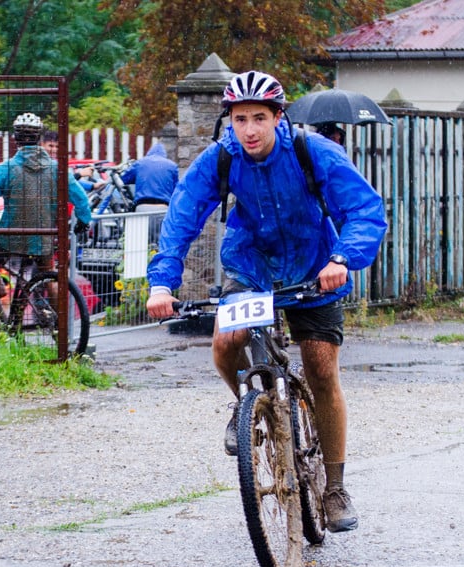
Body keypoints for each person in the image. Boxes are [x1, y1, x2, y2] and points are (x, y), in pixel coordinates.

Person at [146, 71, 387, 533]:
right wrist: (162, 284)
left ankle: (334, 487)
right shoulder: (220, 159)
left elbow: (364, 210)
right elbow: (181, 219)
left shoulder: (312, 152)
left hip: (315, 266)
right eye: (240, 119)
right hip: (251, 266)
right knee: (225, 342)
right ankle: (246, 405)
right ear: (230, 122)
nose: (250, 129)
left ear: (279, 117)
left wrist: (342, 257)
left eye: (260, 117)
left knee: (320, 369)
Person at [0, 113, 92, 325]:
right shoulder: (57, 169)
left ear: (15, 138)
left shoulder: (6, 168)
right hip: (43, 235)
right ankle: (62, 327)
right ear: (39, 138)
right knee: (49, 276)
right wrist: (83, 220)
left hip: (10, 235)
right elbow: (80, 197)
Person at [120, 142, 178, 244]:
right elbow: (176, 189)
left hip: (142, 208)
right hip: (163, 208)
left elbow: (124, 180)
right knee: (160, 243)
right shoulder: (172, 166)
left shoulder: (140, 163)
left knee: (140, 243)